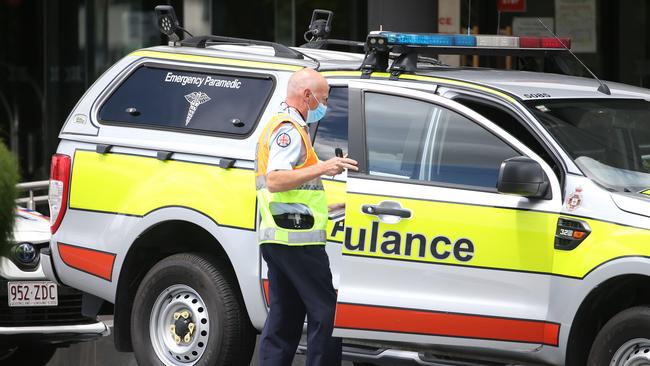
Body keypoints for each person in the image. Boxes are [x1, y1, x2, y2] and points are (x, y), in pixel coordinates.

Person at [255, 68, 358, 366]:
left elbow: (290, 191)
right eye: (323, 99)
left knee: (284, 316)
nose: (324, 106)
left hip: (280, 236)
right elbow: (275, 179)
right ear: (307, 96)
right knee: (326, 312)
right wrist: (325, 167)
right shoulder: (288, 129)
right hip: (297, 241)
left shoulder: (279, 123)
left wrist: (329, 208)